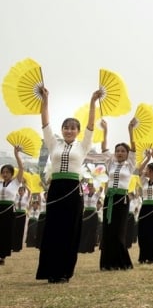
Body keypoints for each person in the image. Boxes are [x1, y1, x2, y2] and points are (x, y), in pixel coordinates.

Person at [36, 87, 102, 283]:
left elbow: (91, 124)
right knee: (53, 229)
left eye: (73, 128)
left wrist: (92, 102)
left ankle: (65, 271)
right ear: (62, 130)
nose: (69, 130)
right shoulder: (53, 144)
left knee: (70, 229)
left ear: (78, 131)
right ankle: (50, 271)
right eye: (66, 127)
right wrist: (45, 100)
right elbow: (45, 122)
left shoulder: (83, 146)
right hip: (56, 188)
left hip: (74, 190)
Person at [98, 118, 136, 270]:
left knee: (119, 230)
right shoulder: (110, 163)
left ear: (127, 154)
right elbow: (103, 147)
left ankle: (122, 262)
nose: (120, 153)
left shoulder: (130, 165)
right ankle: (107, 263)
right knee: (108, 230)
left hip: (122, 199)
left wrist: (130, 130)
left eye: (123, 151)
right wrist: (105, 130)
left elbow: (134, 147)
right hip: (109, 198)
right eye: (118, 151)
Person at [0, 147, 25, 265]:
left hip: (9, 210)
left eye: (7, 172)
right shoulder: (0, 184)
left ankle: (2, 256)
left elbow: (21, 168)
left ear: (11, 173)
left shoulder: (16, 182)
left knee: (6, 232)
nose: (5, 174)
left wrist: (16, 154)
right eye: (3, 172)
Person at [79, 181, 100, 253]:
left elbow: (101, 189)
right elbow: (80, 190)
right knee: (84, 230)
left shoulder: (96, 195)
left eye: (91, 186)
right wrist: (81, 182)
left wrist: (98, 181)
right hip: (86, 213)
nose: (90, 188)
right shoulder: (84, 195)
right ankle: (82, 248)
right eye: (89, 186)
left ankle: (90, 248)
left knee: (92, 231)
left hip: (93, 214)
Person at [13, 185, 30, 252]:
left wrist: (25, 184)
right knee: (15, 230)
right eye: (19, 190)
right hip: (16, 214)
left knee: (20, 230)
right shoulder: (16, 197)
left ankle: (18, 247)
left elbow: (29, 191)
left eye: (22, 190)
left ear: (24, 191)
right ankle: (13, 246)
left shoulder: (26, 197)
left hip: (22, 214)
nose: (20, 191)